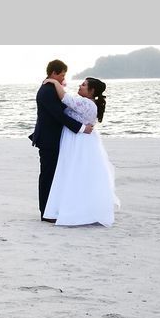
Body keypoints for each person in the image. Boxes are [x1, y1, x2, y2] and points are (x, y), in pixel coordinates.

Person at [42, 76, 119, 226]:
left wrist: (55, 82)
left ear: (91, 91)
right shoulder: (87, 102)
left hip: (78, 142)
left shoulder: (87, 104)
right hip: (75, 139)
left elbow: (65, 98)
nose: (80, 86)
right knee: (73, 173)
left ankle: (76, 210)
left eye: (84, 85)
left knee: (75, 173)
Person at [29, 60, 92, 221]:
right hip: (48, 139)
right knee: (48, 175)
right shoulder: (47, 91)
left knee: (53, 175)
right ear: (54, 73)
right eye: (62, 74)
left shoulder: (51, 88)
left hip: (52, 138)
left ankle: (51, 209)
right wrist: (81, 128)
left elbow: (66, 108)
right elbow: (59, 115)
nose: (64, 78)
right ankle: (45, 213)